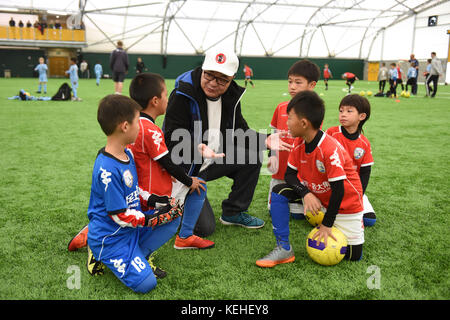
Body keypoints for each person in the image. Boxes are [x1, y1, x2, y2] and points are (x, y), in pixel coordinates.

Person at [68, 73, 214, 253]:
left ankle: (94, 230)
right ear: (155, 101)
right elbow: (167, 163)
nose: (167, 100)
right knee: (199, 187)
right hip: (152, 192)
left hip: (133, 190)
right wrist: (188, 180)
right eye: (165, 95)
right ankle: (182, 238)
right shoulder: (149, 128)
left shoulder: (132, 125)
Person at [163, 47, 291, 237]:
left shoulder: (231, 96)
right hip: (186, 168)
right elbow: (171, 135)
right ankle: (174, 204)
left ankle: (233, 212)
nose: (213, 83)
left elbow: (239, 130)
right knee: (204, 229)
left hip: (214, 158)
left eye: (222, 79)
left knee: (252, 158)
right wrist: (195, 149)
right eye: (209, 75)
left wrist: (265, 140)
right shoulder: (183, 93)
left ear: (231, 79)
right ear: (203, 69)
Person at [85, 94, 182, 293]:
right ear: (125, 126)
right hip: (112, 237)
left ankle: (137, 256)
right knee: (147, 284)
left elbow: (133, 190)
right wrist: (149, 219)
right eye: (138, 121)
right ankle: (99, 251)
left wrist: (154, 201)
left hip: (131, 229)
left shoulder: (127, 152)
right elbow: (119, 215)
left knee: (173, 217)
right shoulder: (107, 169)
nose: (140, 126)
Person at [256, 91, 365, 268]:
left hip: (346, 204)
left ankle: (359, 219)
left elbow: (339, 190)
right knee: (279, 191)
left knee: (353, 256)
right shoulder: (298, 142)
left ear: (304, 123)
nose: (287, 123)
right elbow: (289, 175)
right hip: (318, 199)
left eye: (289, 118)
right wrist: (305, 193)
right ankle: (283, 248)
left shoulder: (329, 149)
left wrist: (327, 225)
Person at [268, 60, 320, 220]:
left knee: (298, 216)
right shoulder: (281, 107)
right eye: (290, 81)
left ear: (311, 85)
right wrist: (271, 155)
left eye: (298, 82)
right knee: (274, 211)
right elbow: (273, 134)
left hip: (300, 171)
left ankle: (299, 197)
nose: (292, 86)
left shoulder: (314, 110)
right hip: (280, 166)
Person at [326, 94, 376, 227]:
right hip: (330, 186)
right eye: (341, 111)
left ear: (362, 116)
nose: (343, 114)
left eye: (349, 111)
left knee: (370, 220)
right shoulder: (331, 133)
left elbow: (365, 172)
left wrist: (359, 195)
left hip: (353, 189)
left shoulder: (364, 143)